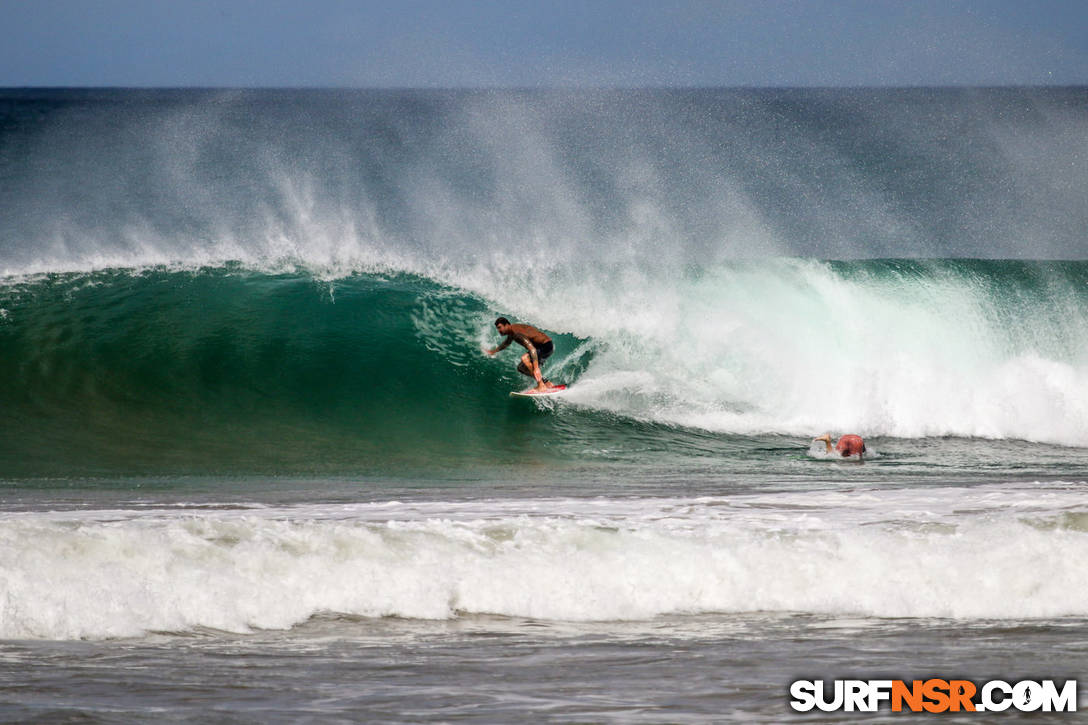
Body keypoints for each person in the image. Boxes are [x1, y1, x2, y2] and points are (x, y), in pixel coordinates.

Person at [486, 317, 556, 392]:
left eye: (500, 327)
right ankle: (547, 383)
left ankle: (541, 386)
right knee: (521, 368)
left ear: (506, 325)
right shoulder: (512, 331)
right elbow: (506, 343)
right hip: (542, 347)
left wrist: (536, 368)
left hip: (546, 346)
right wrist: (493, 351)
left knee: (525, 358)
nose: (499, 331)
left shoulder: (517, 333)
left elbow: (532, 349)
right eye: (497, 328)